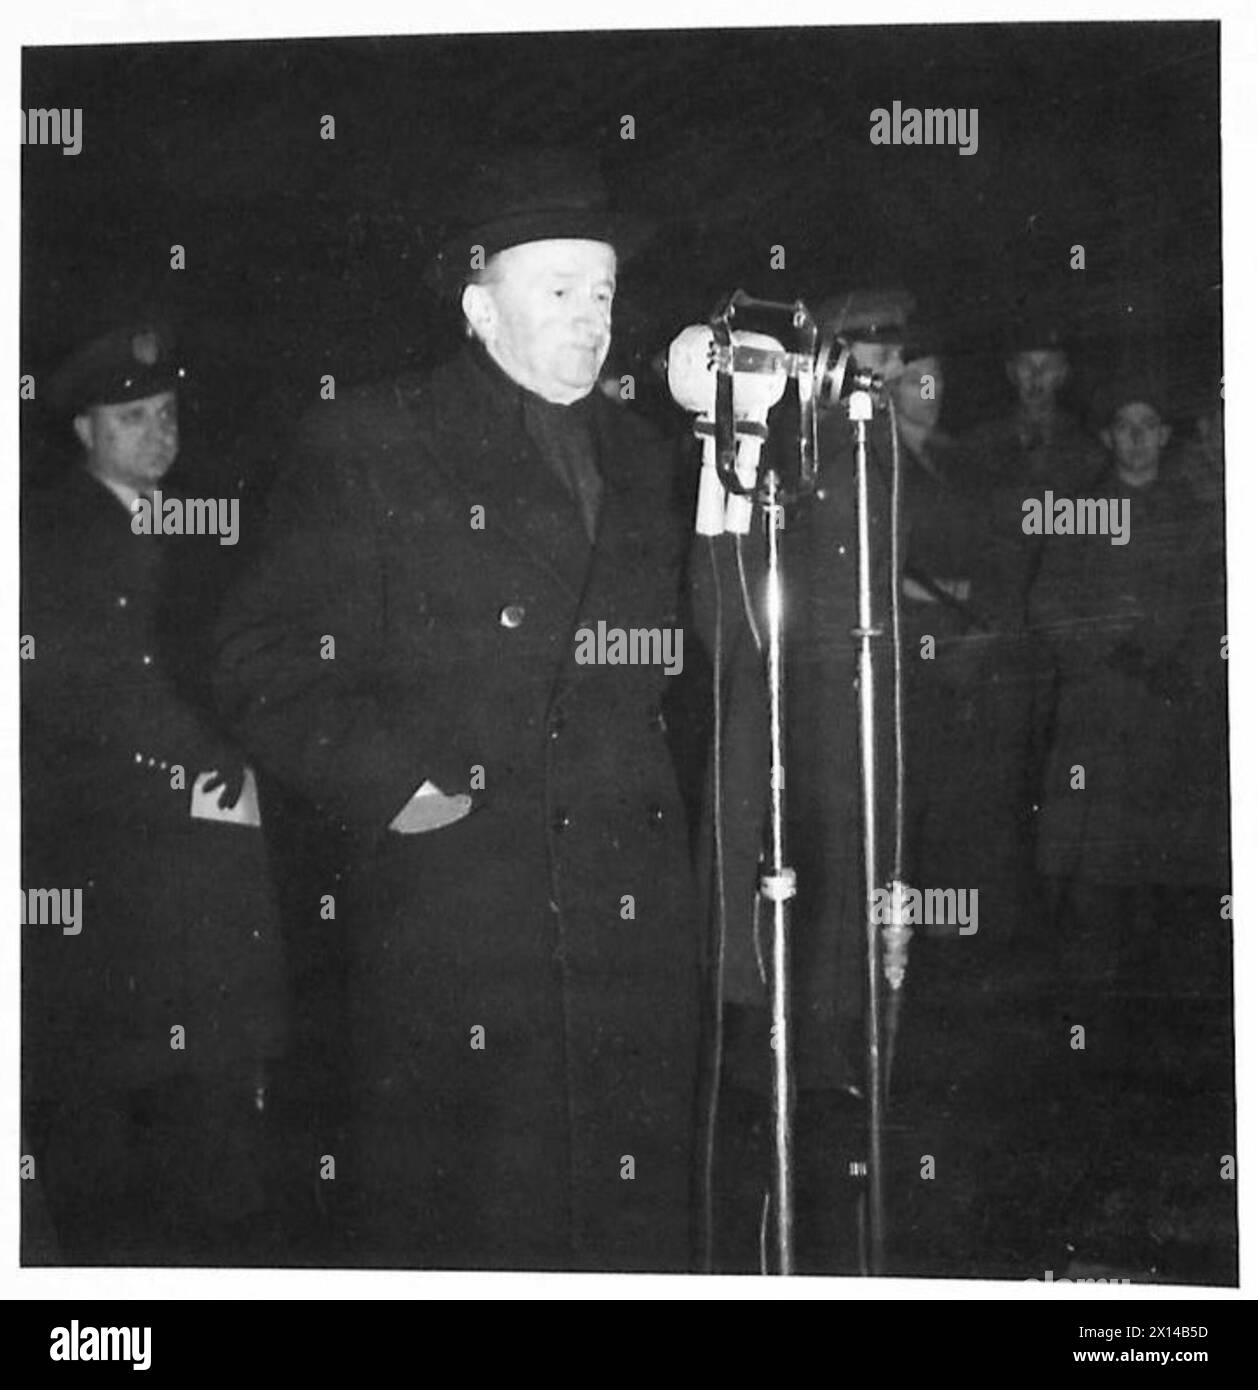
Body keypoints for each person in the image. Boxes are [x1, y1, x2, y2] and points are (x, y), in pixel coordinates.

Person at [213, 150, 704, 1272]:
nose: (592, 318)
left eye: (605, 292)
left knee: (628, 1220)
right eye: (560, 290)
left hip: (628, 914)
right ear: (481, 306)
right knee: (481, 1219)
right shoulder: (376, 438)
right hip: (462, 913)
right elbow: (258, 650)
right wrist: (391, 781)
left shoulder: (648, 457)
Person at [21, 322, 287, 1263]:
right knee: (112, 1117)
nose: (156, 434)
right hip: (109, 860)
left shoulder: (198, 523)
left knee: (217, 1097)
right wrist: (199, 770)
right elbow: (86, 689)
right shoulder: (48, 538)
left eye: (166, 414)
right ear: (85, 430)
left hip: (209, 857)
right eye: (131, 418)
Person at [1028, 377, 1229, 995]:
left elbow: (1217, 609)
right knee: (1095, 872)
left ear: (1167, 436)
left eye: (1150, 425)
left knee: (1171, 874)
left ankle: (1164, 1020)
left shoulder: (1196, 517)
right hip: (1101, 718)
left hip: (1174, 719)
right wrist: (1116, 653)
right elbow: (1048, 604)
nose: (1138, 438)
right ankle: (1087, 1020)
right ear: (1108, 436)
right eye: (1125, 426)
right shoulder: (1078, 511)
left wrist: (1188, 667)